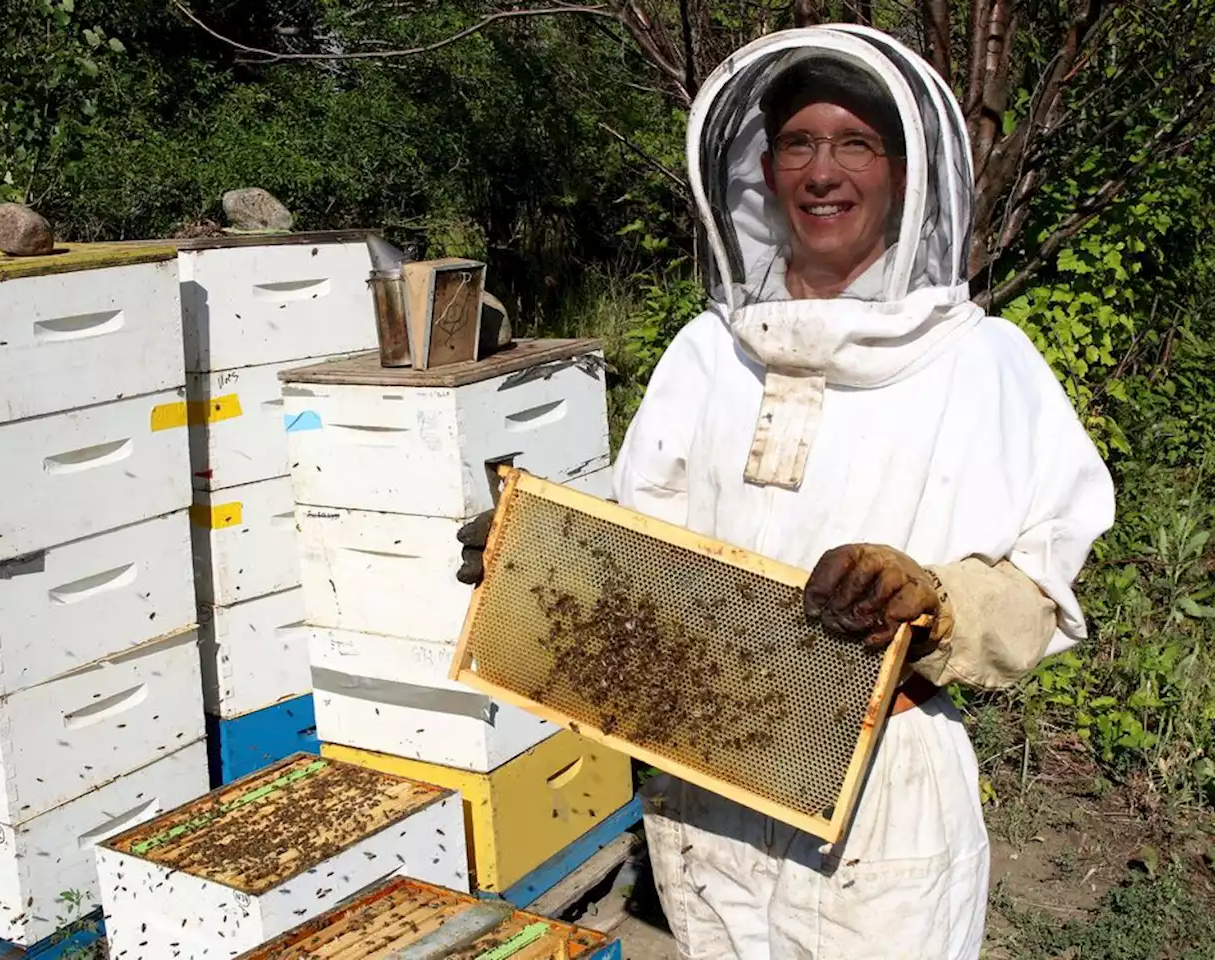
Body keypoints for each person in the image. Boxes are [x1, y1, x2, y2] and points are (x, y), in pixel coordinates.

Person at [460, 24, 1114, 959]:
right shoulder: (707, 354)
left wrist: (936, 601)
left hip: (881, 791)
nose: (824, 171)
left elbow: (1041, 592)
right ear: (762, 172)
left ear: (902, 174)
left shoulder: (984, 365)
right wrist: (532, 560)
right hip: (705, 770)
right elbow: (645, 552)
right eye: (800, 144)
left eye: (856, 144)